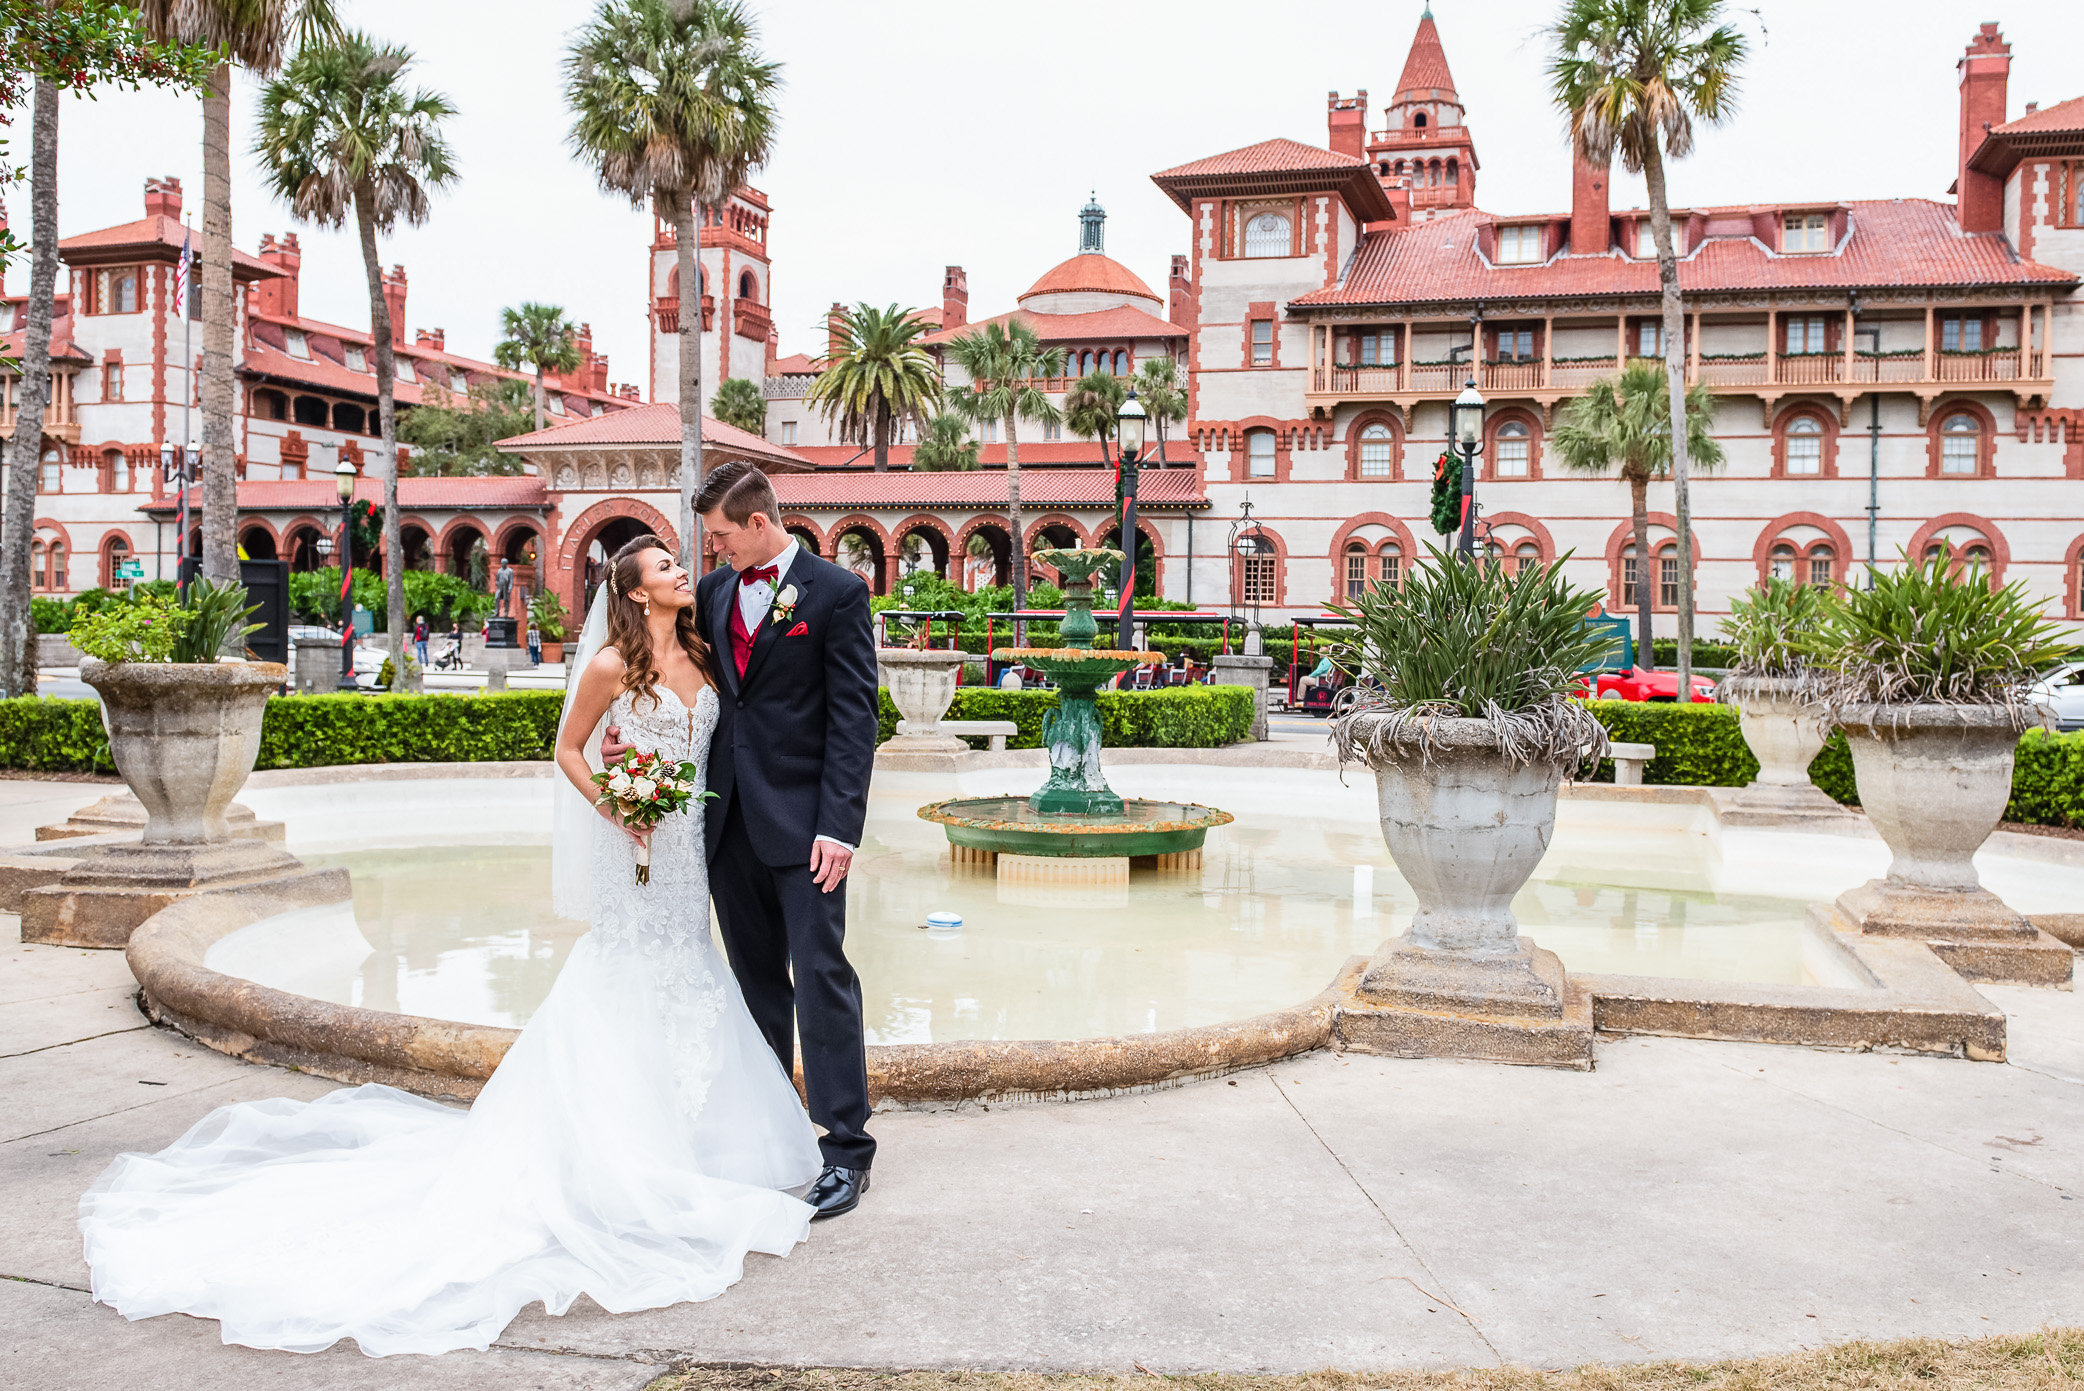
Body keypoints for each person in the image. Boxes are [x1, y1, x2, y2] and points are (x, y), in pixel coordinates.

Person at [74, 535, 823, 1356]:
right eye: (669, 570)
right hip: (635, 848)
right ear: (638, 595)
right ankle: (620, 1153)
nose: (686, 574)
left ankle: (693, 1139)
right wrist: (612, 800)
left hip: (690, 854)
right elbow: (568, 747)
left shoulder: (705, 650)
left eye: (681, 565)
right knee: (629, 972)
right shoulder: (611, 664)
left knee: (687, 971)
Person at [604, 460, 877, 1221]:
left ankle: (846, 1150)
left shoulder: (838, 593)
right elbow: (668, 679)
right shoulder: (716, 594)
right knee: (756, 987)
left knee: (822, 977)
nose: (711, 550)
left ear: (759, 523)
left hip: (809, 831)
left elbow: (856, 721)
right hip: (723, 828)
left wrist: (839, 827)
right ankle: (772, 1134)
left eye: (721, 534)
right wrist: (629, 746)